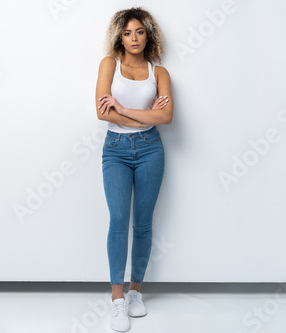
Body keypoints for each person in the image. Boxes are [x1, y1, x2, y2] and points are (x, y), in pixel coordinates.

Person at [95, 6, 173, 332]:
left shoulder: (160, 73)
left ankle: (135, 292)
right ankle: (116, 300)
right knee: (118, 219)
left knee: (142, 223)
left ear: (148, 34)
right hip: (115, 151)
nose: (134, 38)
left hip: (150, 150)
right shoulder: (109, 65)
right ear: (119, 36)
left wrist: (124, 108)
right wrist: (144, 114)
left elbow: (166, 118)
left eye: (139, 31)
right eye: (127, 33)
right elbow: (102, 112)